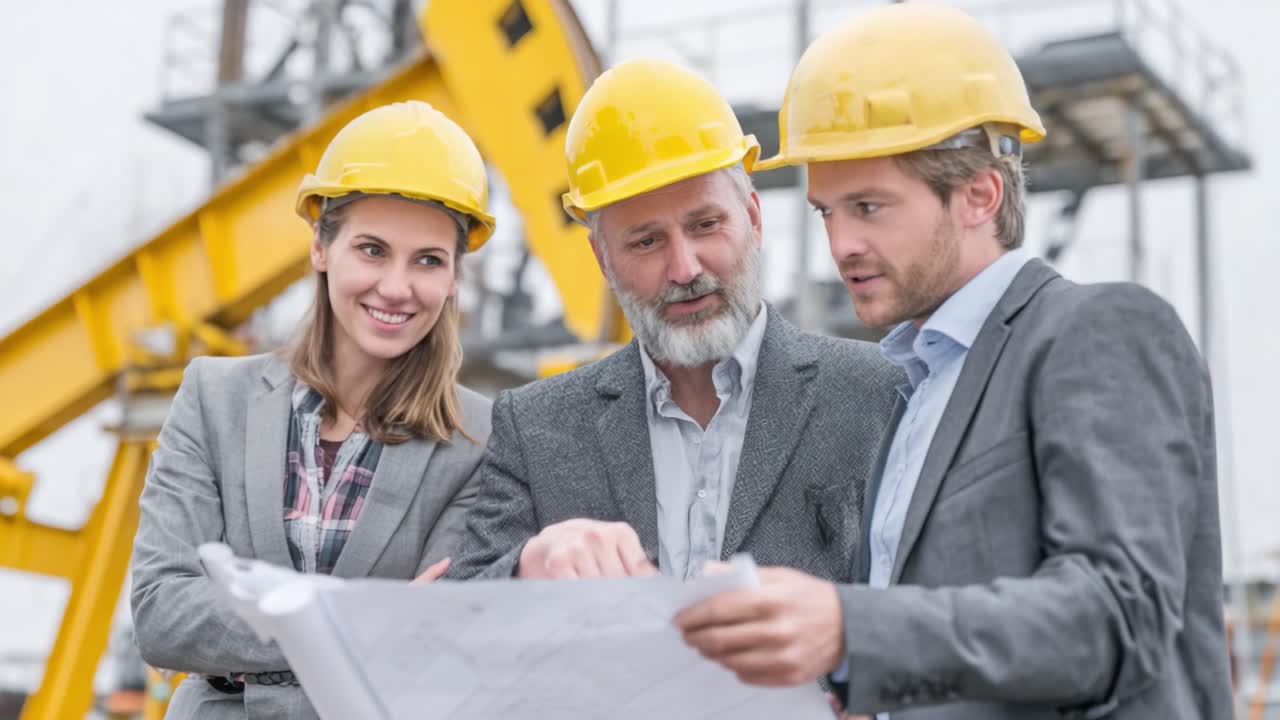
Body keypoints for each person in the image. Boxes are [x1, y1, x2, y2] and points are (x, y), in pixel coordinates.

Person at [675, 5, 1232, 719]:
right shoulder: (910, 392)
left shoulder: (1098, 330)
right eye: (826, 212)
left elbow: (1117, 616)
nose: (840, 243)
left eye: (870, 207)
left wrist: (852, 630)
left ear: (979, 196)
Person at [445, 58, 901, 587]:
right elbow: (465, 610)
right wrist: (527, 568)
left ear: (753, 218)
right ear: (602, 259)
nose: (684, 269)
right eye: (646, 242)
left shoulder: (879, 395)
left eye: (705, 225)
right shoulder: (536, 427)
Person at [130, 101, 495, 719]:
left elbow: (432, 644)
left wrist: (247, 632)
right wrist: (354, 621)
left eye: (428, 260)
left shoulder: (480, 438)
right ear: (321, 247)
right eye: (372, 250)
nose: (398, 287)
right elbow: (161, 613)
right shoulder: (214, 398)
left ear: (455, 276)